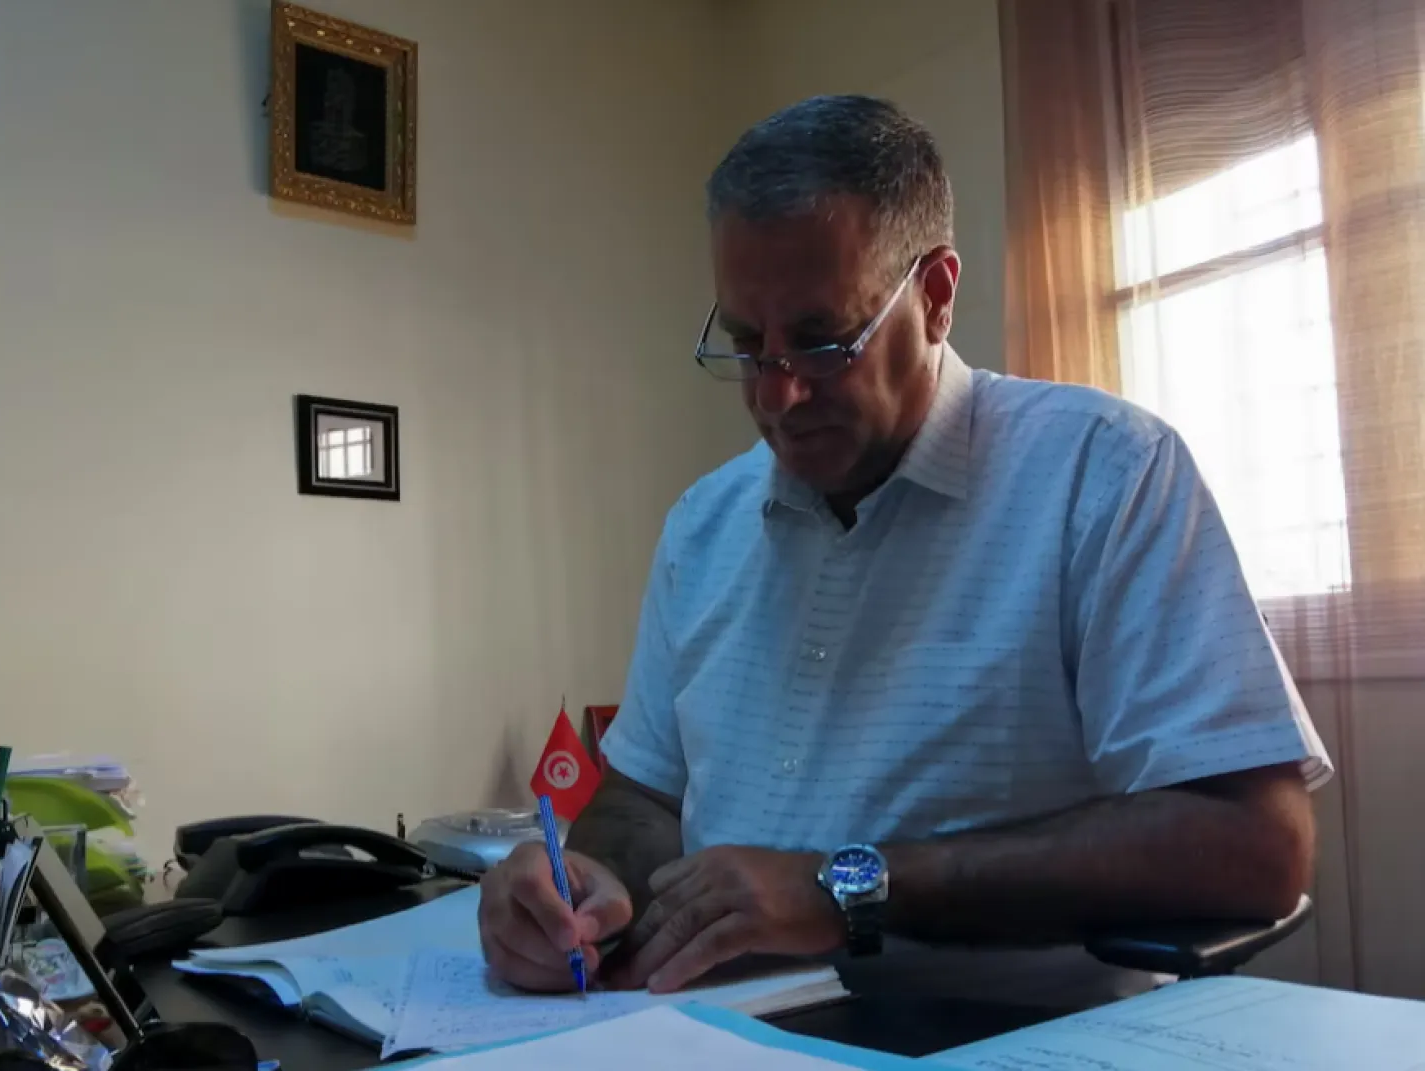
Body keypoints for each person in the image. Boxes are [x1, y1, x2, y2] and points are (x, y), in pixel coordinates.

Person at [477, 94, 1332, 1008]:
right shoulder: (704, 522)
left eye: (822, 339)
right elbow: (642, 800)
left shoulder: (1103, 473)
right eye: (745, 344)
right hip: (714, 1031)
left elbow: (1255, 845)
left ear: (934, 297)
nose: (781, 395)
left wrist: (848, 886)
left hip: (1015, 1037)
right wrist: (582, 887)